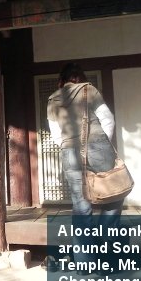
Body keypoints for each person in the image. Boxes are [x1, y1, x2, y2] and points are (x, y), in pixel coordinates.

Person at [46, 62, 122, 270]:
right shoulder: (89, 90)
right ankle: (110, 257)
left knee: (81, 206)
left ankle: (84, 263)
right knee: (113, 196)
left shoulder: (53, 99)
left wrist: (68, 146)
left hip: (69, 152)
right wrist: (102, 142)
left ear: (62, 80)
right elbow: (108, 119)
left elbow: (55, 133)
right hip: (98, 147)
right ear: (80, 76)